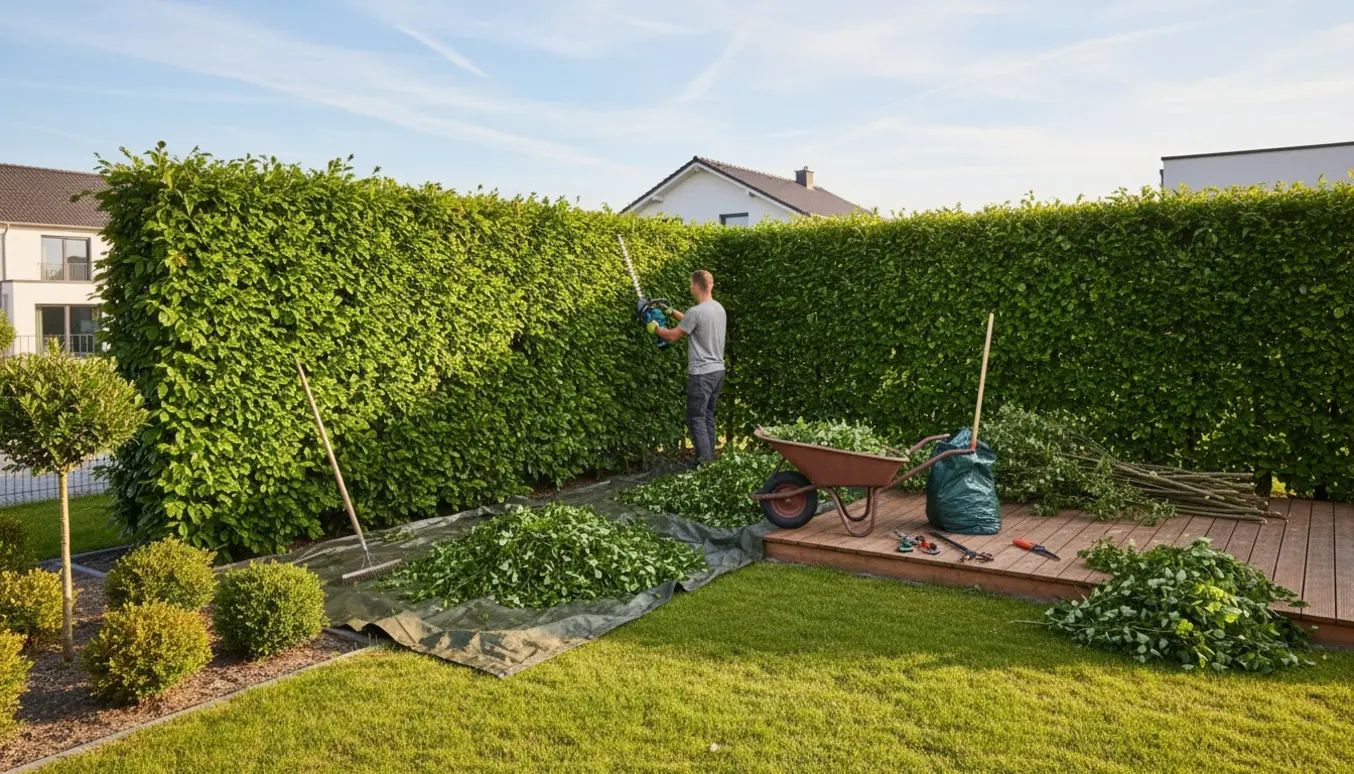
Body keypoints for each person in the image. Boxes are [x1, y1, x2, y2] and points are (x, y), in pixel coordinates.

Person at [648, 270, 726, 463]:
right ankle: (710, 462)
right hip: (717, 371)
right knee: (707, 415)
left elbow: (674, 335)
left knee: (696, 419)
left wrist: (655, 328)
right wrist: (671, 312)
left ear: (696, 286)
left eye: (691, 284)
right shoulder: (717, 308)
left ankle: (704, 463)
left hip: (702, 374)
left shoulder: (696, 312)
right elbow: (693, 323)